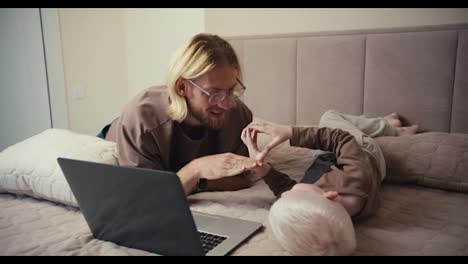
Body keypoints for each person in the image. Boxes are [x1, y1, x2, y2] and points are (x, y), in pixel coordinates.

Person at [98, 33, 268, 195]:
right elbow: (144, 195)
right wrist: (196, 169)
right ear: (182, 87)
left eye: (231, 90)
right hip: (118, 136)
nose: (226, 103)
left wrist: (196, 181)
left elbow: (240, 180)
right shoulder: (142, 116)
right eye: (213, 93)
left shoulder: (239, 114)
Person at [241, 110, 418, 255]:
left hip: (328, 163)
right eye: (292, 193)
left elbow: (286, 190)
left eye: (284, 196)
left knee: (321, 147)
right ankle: (388, 127)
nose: (285, 192)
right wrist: (290, 132)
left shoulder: (322, 210)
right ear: (330, 195)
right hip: (367, 153)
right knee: (328, 117)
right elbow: (340, 138)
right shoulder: (358, 177)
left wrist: (261, 167)